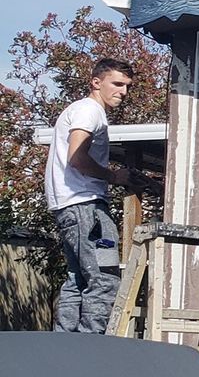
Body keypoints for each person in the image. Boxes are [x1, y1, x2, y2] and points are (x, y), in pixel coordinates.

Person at [45, 58, 135, 333]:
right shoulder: (89, 111)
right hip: (86, 207)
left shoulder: (79, 110)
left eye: (127, 86)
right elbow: (77, 158)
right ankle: (90, 346)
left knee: (78, 279)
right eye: (117, 84)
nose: (123, 92)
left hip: (70, 208)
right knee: (104, 278)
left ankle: (65, 348)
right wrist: (113, 176)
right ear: (96, 82)